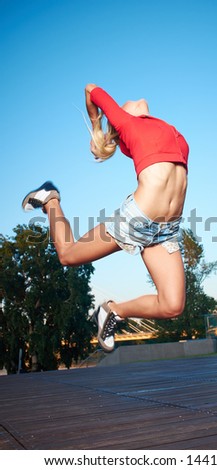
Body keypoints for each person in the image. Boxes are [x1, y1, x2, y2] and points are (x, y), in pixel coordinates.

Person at [22, 83, 189, 353]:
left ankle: (112, 311)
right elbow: (91, 89)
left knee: (172, 305)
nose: (132, 100)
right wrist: (97, 124)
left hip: (166, 230)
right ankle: (51, 199)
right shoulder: (125, 123)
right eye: (124, 106)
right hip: (137, 220)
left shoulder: (170, 131)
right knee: (67, 255)